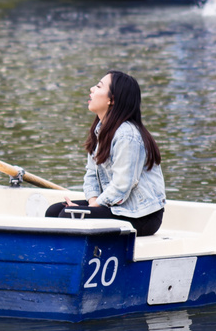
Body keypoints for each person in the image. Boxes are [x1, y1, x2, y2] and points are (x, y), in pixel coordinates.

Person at [46, 70, 166, 237]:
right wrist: (92, 202)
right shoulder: (100, 131)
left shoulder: (127, 136)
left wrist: (90, 209)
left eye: (98, 86)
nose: (91, 89)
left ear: (112, 99)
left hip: (141, 215)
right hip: (117, 206)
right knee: (54, 211)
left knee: (68, 215)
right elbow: (91, 175)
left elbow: (122, 186)